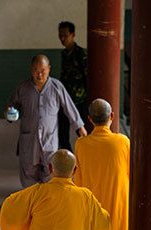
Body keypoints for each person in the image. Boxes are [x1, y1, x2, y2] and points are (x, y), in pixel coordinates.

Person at [74, 99, 129, 230]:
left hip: (93, 208)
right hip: (118, 205)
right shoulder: (122, 142)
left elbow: (76, 177)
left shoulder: (81, 145)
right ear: (112, 117)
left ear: (89, 120)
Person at [6, 54, 87, 188]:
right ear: (31, 69)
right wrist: (9, 113)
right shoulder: (23, 88)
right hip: (29, 141)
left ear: (49, 69)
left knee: (51, 175)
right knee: (28, 176)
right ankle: (32, 204)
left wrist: (81, 130)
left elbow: (70, 108)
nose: (39, 74)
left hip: (49, 141)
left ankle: (47, 204)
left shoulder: (56, 87)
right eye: (36, 70)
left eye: (43, 70)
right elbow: (12, 107)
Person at [58, 21, 89, 151]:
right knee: (62, 133)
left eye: (65, 35)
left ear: (73, 34)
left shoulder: (81, 54)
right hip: (65, 100)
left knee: (82, 132)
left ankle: (86, 157)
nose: (62, 39)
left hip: (79, 100)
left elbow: (88, 77)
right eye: (60, 35)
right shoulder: (64, 54)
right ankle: (68, 160)